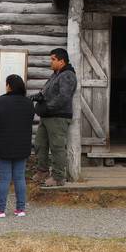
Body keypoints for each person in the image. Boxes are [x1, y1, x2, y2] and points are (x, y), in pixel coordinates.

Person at [0, 74, 34, 218]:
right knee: (19, 178)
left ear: (9, 86)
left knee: (4, 178)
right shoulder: (28, 103)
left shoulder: (0, 101)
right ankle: (21, 209)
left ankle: (0, 210)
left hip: (2, 146)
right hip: (21, 146)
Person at [30, 47, 77, 187]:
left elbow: (64, 97)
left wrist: (47, 107)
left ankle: (58, 177)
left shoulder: (67, 75)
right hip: (48, 116)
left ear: (61, 61)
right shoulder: (56, 74)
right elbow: (49, 92)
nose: (50, 62)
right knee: (40, 143)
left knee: (57, 147)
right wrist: (39, 96)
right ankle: (42, 171)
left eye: (53, 59)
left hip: (58, 117)